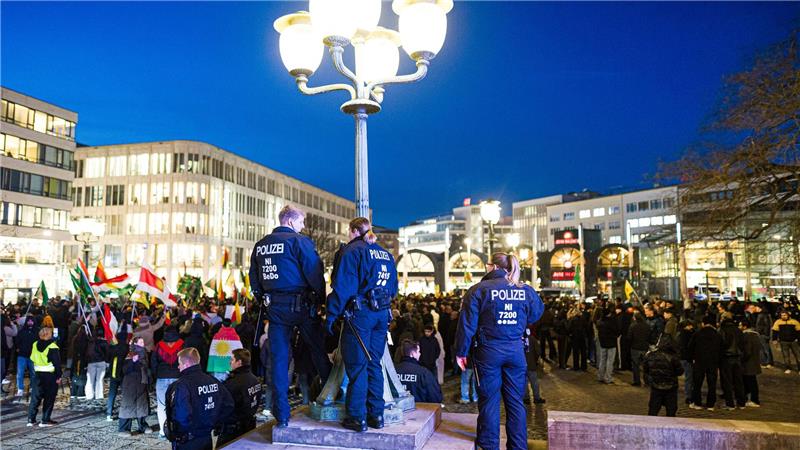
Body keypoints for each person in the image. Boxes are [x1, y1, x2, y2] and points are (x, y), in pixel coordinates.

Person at [249, 204, 332, 428]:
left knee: (279, 361)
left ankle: (282, 414)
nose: (303, 226)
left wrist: (264, 299)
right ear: (291, 221)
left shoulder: (261, 245)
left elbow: (254, 280)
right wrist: (320, 300)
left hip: (275, 309)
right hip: (302, 307)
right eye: (302, 222)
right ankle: (332, 395)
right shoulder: (299, 242)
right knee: (317, 352)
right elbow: (314, 273)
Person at [454, 252, 544, 450]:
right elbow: (537, 313)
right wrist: (518, 322)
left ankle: (488, 445)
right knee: (516, 402)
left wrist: (461, 352)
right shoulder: (524, 289)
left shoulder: (479, 290)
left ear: (492, 267)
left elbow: (467, 325)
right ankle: (518, 446)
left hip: (488, 351)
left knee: (489, 400)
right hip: (515, 350)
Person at [325, 217, 398, 432]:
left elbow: (343, 288)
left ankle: (357, 417)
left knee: (357, 366)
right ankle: (376, 415)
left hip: (360, 315)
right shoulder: (385, 253)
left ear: (354, 231)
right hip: (381, 314)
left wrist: (331, 316)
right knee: (375, 363)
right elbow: (393, 289)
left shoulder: (352, 251)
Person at [165, 347, 234, 450]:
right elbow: (228, 405)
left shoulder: (182, 385)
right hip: (206, 438)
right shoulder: (213, 380)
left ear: (186, 364)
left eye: (180, 363)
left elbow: (182, 416)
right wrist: (213, 422)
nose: (178, 367)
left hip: (188, 440)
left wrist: (180, 433)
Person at [219, 349, 262, 446]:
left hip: (233, 431)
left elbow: (224, 408)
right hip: (249, 426)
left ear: (239, 362)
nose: (230, 362)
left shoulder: (233, 383)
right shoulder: (255, 380)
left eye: (232, 359)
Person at [152, 326, 184, 439]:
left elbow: (154, 362)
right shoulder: (182, 344)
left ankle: (162, 431)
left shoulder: (159, 346)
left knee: (162, 405)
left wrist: (156, 375)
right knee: (177, 404)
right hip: (177, 376)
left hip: (162, 376)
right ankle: (176, 429)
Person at [26, 327, 61, 427]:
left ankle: (31, 419)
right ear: (49, 335)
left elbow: (32, 358)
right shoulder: (52, 347)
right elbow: (57, 363)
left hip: (37, 374)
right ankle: (45, 420)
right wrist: (59, 376)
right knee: (49, 398)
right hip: (50, 375)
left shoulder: (35, 344)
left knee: (35, 397)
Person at [642, 335, 683, 417]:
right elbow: (680, 371)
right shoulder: (673, 357)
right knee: (671, 412)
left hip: (656, 385)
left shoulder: (651, 356)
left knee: (653, 410)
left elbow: (646, 369)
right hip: (671, 386)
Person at [118, 336, 151, 436]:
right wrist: (133, 361)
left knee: (142, 404)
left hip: (141, 382)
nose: (143, 344)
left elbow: (147, 368)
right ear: (135, 344)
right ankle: (124, 428)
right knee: (128, 404)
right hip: (130, 383)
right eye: (140, 342)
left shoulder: (145, 354)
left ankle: (143, 426)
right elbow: (124, 369)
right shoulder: (130, 353)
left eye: (143, 342)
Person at [689, 316, 722, 411]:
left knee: (697, 383)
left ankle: (697, 403)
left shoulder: (698, 333)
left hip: (699, 361)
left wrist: (692, 358)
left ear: (703, 323)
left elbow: (690, 347)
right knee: (712, 384)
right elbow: (721, 349)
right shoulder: (717, 334)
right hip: (713, 362)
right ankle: (710, 404)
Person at [395, 339, 443, 403]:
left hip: (398, 410)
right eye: (418, 351)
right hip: (419, 410)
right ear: (412, 353)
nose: (420, 354)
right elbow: (435, 397)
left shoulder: (393, 371)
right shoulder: (424, 373)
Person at [718, 312, 745, 410]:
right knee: (738, 380)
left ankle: (730, 404)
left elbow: (722, 343)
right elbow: (742, 343)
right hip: (737, 357)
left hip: (726, 357)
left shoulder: (722, 330)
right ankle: (741, 402)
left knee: (727, 381)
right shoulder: (738, 330)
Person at [106, 328, 129, 421]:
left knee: (112, 393)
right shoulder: (127, 347)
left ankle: (109, 413)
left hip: (113, 372)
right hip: (123, 372)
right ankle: (126, 411)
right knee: (126, 393)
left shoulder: (113, 347)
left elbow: (108, 358)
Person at [740, 319, 762, 407]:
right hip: (755, 361)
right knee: (751, 381)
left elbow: (747, 351)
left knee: (750, 382)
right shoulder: (756, 335)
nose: (739, 327)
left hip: (748, 363)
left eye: (740, 325)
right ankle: (750, 398)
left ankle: (754, 400)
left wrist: (742, 359)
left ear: (745, 326)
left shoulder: (747, 336)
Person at [15, 316, 38, 400]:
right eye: (29, 321)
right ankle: (20, 389)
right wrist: (18, 348)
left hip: (33, 356)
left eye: (32, 321)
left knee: (33, 373)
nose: (30, 322)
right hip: (22, 355)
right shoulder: (22, 331)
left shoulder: (37, 331)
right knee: (20, 373)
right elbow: (17, 341)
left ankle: (32, 387)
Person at [84, 325, 108, 401]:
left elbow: (87, 352)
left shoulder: (90, 342)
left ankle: (89, 395)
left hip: (91, 362)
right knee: (99, 380)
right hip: (101, 362)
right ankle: (99, 395)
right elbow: (107, 353)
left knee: (90, 380)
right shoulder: (104, 342)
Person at [596, 307, 620, 384]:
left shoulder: (599, 322)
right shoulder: (611, 322)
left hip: (603, 343)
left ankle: (600, 376)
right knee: (610, 361)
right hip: (611, 343)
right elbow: (617, 331)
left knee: (602, 360)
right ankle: (608, 377)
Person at [628, 311, 651, 387]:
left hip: (635, 347)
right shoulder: (647, 326)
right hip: (644, 347)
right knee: (645, 365)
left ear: (634, 318)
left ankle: (637, 381)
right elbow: (649, 336)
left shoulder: (633, 326)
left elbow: (629, 337)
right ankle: (647, 381)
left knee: (635, 365)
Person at [523, 329, 545, 405]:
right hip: (531, 364)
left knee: (524, 383)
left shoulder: (518, 340)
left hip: (521, 366)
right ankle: (537, 398)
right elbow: (538, 351)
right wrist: (535, 359)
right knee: (534, 383)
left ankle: (526, 398)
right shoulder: (532, 339)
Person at [676, 320, 696, 405]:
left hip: (681, 358)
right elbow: (689, 348)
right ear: (687, 326)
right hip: (688, 359)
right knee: (689, 378)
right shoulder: (689, 335)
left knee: (688, 377)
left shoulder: (679, 334)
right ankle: (689, 396)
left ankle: (688, 395)